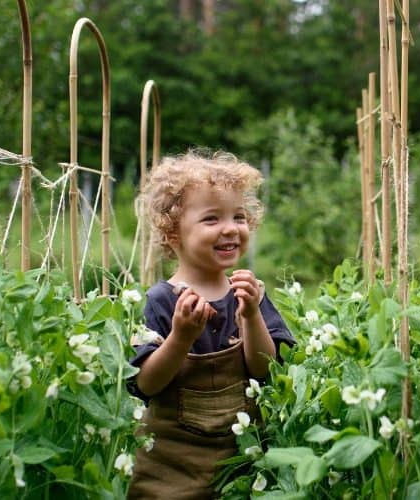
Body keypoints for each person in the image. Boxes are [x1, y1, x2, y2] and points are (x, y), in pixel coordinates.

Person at [126, 150, 294, 499]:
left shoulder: (249, 292)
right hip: (172, 467)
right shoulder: (161, 300)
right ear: (173, 234)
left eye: (239, 216)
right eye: (212, 219)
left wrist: (250, 316)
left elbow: (265, 369)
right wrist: (180, 337)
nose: (231, 228)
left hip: (241, 460)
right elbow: (147, 383)